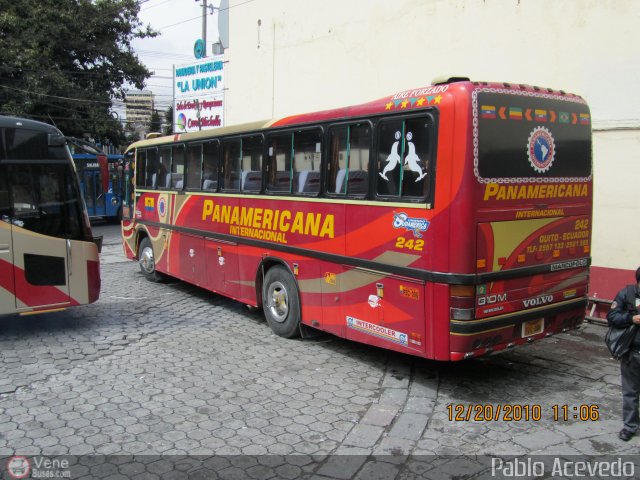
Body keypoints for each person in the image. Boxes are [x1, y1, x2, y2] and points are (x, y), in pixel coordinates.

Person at [607, 266, 640, 441]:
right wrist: (631, 318)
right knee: (630, 392)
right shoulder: (627, 294)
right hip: (632, 352)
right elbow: (612, 317)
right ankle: (630, 426)